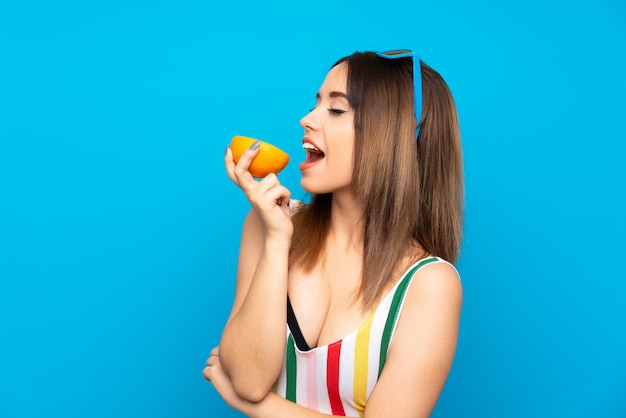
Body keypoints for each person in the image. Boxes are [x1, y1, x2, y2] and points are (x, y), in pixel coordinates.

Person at [203, 49, 464, 417]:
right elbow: (247, 378)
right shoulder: (267, 225)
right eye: (316, 104)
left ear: (393, 137)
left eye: (336, 109)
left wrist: (264, 408)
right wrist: (278, 241)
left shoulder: (429, 284)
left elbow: (245, 393)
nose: (306, 120)